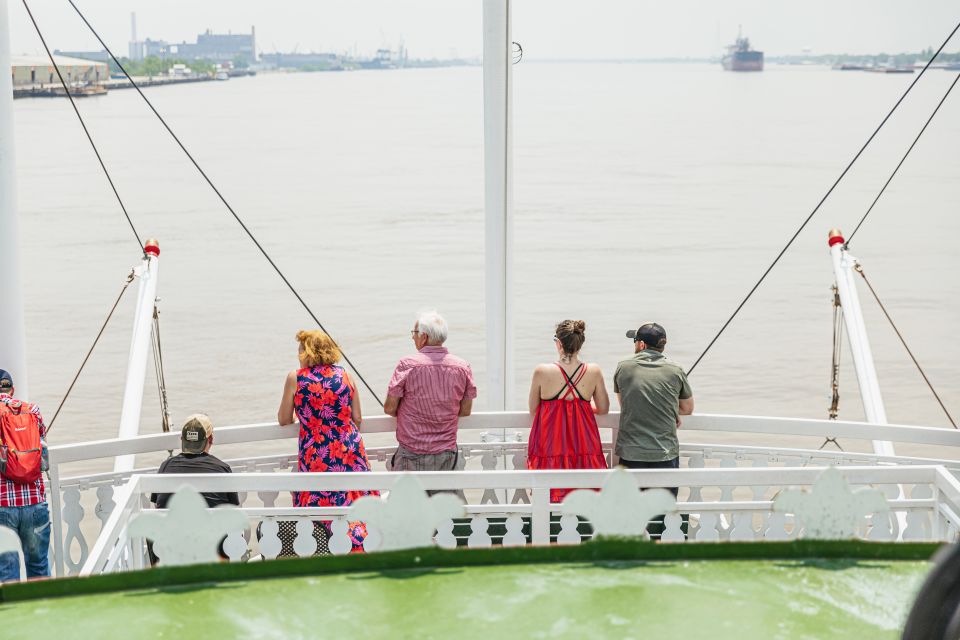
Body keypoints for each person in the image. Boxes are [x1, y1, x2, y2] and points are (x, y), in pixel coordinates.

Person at [277, 330, 376, 551]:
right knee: (354, 496)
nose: (299, 354)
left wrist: (304, 414)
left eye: (300, 349)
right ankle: (359, 544)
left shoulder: (296, 377)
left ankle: (326, 545)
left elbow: (284, 419)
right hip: (348, 446)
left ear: (308, 352)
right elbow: (357, 417)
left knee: (321, 498)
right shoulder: (346, 375)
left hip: (317, 450)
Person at [613, 322, 694, 538]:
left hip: (632, 453)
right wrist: (669, 409)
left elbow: (626, 403)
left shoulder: (624, 367)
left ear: (640, 345)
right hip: (664, 452)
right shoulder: (675, 370)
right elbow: (687, 408)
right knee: (664, 513)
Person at [384, 311, 477, 478]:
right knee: (443, 503)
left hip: (410, 453)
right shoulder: (463, 367)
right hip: (447, 455)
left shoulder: (407, 364)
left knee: (408, 504)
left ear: (424, 337)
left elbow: (390, 408)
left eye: (414, 333)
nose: (413, 338)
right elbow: (465, 411)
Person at [527, 320, 610, 503]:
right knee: (587, 490)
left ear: (558, 343)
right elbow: (604, 408)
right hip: (584, 440)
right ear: (580, 344)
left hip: (551, 442)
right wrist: (582, 407)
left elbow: (533, 409)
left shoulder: (542, 371)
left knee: (549, 490)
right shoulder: (593, 371)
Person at [148, 414, 240, 564]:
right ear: (210, 440)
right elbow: (233, 510)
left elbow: (158, 506)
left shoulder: (165, 467)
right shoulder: (222, 468)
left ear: (182, 440)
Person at [0, 369, 50, 582]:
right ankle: (43, 611)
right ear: (12, 389)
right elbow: (42, 445)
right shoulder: (33, 411)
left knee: (7, 572)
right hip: (35, 502)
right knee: (39, 567)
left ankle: (15, 615)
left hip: (3, 506)